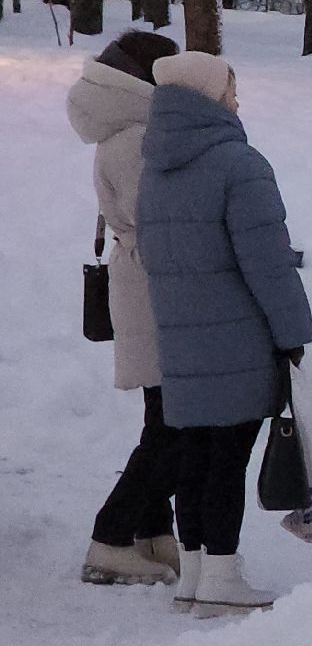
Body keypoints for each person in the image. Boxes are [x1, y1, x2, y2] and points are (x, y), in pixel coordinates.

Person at [139, 52, 312, 616]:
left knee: (195, 456)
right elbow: (268, 264)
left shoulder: (156, 165)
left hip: (182, 339)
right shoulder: (238, 164)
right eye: (231, 91)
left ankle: (194, 576)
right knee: (227, 461)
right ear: (209, 98)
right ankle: (223, 578)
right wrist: (293, 334)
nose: (237, 102)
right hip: (237, 340)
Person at [68, 30, 183, 586]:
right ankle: (109, 537)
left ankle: (151, 532)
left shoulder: (125, 129)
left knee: (162, 418)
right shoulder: (139, 136)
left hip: (140, 283)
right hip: (154, 286)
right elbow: (159, 225)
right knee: (174, 428)